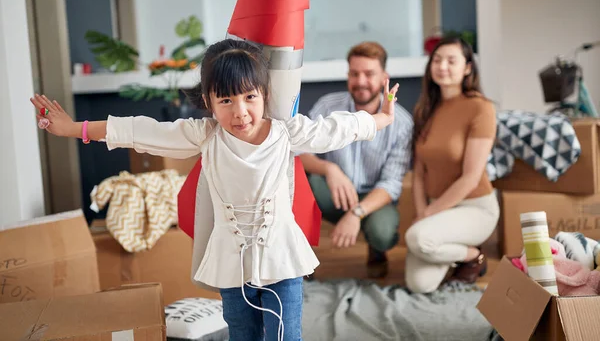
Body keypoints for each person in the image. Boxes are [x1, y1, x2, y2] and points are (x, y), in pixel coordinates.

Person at [31, 39, 400, 341]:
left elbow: (338, 127)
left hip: (282, 257)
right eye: (226, 100)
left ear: (264, 94)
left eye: (249, 97)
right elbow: (139, 131)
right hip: (231, 260)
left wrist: (381, 117)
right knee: (242, 333)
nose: (240, 112)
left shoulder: (288, 132)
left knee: (286, 335)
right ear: (208, 101)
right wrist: (73, 128)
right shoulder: (205, 136)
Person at [299, 41, 413, 278]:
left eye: (369, 74)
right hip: (333, 191)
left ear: (384, 77)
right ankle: (300, 257)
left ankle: (377, 249)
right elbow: (299, 149)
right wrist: (329, 169)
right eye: (354, 73)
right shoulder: (328, 106)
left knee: (382, 232)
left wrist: (356, 213)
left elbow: (391, 184)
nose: (360, 81)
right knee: (297, 182)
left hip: (373, 199)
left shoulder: (402, 123)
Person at [404, 36, 499, 294]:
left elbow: (470, 177)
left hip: (475, 208)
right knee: (419, 285)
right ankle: (455, 254)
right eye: (437, 59)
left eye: (451, 60)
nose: (442, 66)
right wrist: (422, 210)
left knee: (418, 238)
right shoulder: (425, 109)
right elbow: (420, 173)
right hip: (438, 208)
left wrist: (427, 215)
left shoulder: (481, 108)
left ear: (467, 67)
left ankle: (472, 256)